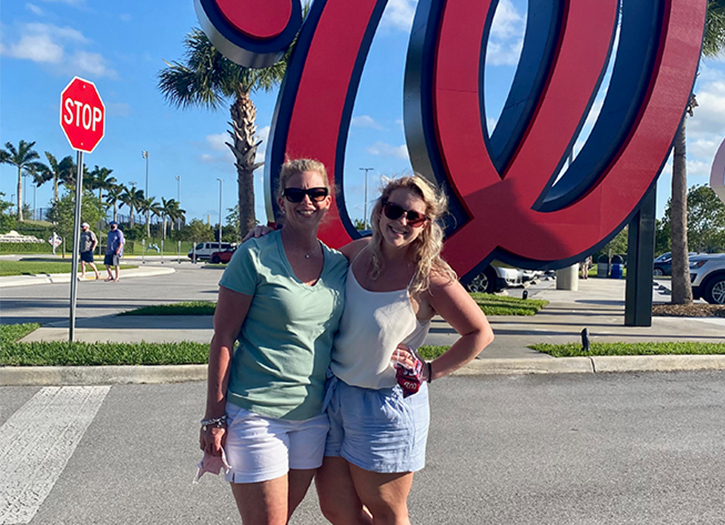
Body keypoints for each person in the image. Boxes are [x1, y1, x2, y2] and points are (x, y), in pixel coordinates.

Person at [314, 175, 495, 525]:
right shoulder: (355, 253)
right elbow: (306, 262)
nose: (401, 222)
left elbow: (479, 332)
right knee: (337, 509)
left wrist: (429, 371)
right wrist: (266, 239)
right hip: (336, 395)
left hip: (385, 408)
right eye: (394, 210)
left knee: (386, 513)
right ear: (381, 210)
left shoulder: (429, 276)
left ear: (425, 224)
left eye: (414, 216)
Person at [199, 159, 348, 525]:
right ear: (281, 201)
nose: (307, 202)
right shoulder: (254, 255)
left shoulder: (339, 264)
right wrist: (213, 417)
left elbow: (392, 245)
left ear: (329, 200)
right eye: (296, 194)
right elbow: (223, 338)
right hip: (256, 415)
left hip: (313, 418)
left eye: (316, 193)